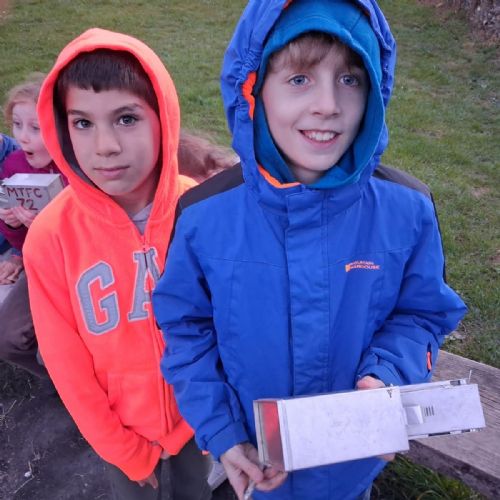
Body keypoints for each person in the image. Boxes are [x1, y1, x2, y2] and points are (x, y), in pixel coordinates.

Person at [152, 1, 467, 499]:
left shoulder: (407, 209)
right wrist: (222, 431)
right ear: (253, 88)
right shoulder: (202, 217)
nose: (328, 104)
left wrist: (387, 374)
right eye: (299, 79)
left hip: (352, 468)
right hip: (253, 460)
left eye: (350, 79)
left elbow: (421, 314)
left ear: (375, 90)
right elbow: (186, 329)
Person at [22, 28, 220, 499]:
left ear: (163, 118)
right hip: (119, 432)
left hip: (199, 416)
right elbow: (65, 365)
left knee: (196, 492)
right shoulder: (50, 238)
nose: (105, 146)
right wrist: (121, 449)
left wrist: (218, 411)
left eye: (126, 118)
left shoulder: (203, 213)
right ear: (62, 129)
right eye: (82, 123)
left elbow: (229, 324)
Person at [0, 74, 67, 377]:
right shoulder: (13, 166)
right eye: (17, 125)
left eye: (35, 128)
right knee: (8, 339)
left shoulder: (76, 165)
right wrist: (13, 224)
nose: (23, 137)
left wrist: (48, 225)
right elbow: (19, 241)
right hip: (40, 265)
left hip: (81, 263)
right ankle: (59, 384)